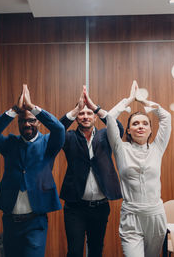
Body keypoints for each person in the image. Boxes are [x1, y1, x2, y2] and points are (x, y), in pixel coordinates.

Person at [0, 84, 65, 257]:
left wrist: (32, 108)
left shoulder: (47, 143)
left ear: (37, 121)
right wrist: (15, 110)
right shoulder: (10, 143)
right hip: (10, 221)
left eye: (31, 120)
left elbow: (59, 129)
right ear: (18, 123)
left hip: (35, 221)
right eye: (23, 121)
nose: (27, 124)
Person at [105, 81, 171, 257]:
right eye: (135, 124)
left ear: (150, 130)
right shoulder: (120, 148)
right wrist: (128, 100)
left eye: (144, 123)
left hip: (155, 216)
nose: (140, 126)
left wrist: (146, 103)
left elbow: (166, 117)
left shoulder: (158, 148)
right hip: (131, 217)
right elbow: (110, 118)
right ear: (128, 130)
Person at [60, 86, 123, 257]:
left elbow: (119, 128)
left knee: (96, 250)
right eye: (81, 113)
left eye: (89, 113)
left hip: (100, 207)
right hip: (75, 207)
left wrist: (95, 106)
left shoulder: (105, 135)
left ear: (95, 117)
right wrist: (75, 109)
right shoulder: (69, 137)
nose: (85, 116)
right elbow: (57, 130)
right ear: (76, 118)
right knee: (74, 251)